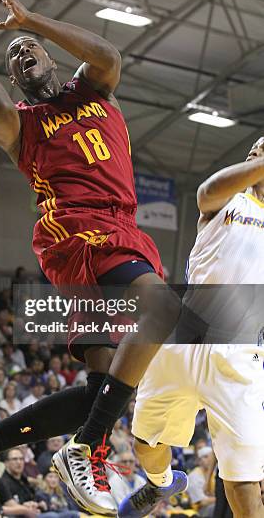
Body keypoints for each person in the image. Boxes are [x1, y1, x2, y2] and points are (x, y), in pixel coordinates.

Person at [0, 0, 179, 517]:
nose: (23, 53)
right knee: (164, 306)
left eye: (29, 48)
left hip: (122, 228)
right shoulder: (21, 125)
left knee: (100, 393)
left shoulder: (95, 92)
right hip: (76, 232)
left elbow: (107, 54)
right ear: (15, 81)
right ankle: (86, 447)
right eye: (14, 58)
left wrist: (28, 21)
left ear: (53, 58)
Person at [119, 136, 264, 518]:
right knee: (145, 441)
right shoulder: (226, 201)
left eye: (262, 151)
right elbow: (205, 191)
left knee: (241, 478)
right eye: (252, 151)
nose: (255, 153)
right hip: (183, 339)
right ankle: (163, 483)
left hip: (239, 353)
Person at [187, 446, 216, 517]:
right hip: (199, 511)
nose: (210, 459)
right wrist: (222, 499)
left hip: (212, 504)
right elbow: (202, 502)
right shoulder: (194, 476)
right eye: (206, 457)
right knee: (215, 508)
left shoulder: (213, 474)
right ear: (199, 461)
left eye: (210, 457)